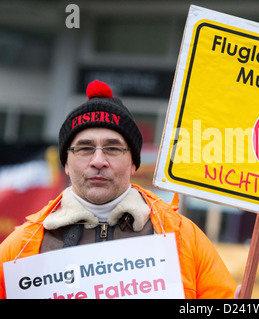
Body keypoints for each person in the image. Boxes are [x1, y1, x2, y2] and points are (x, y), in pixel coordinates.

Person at [0, 80, 237, 299]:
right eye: (84, 149)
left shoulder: (184, 238)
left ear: (133, 163)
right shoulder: (20, 248)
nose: (98, 160)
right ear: (66, 164)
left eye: (113, 148)